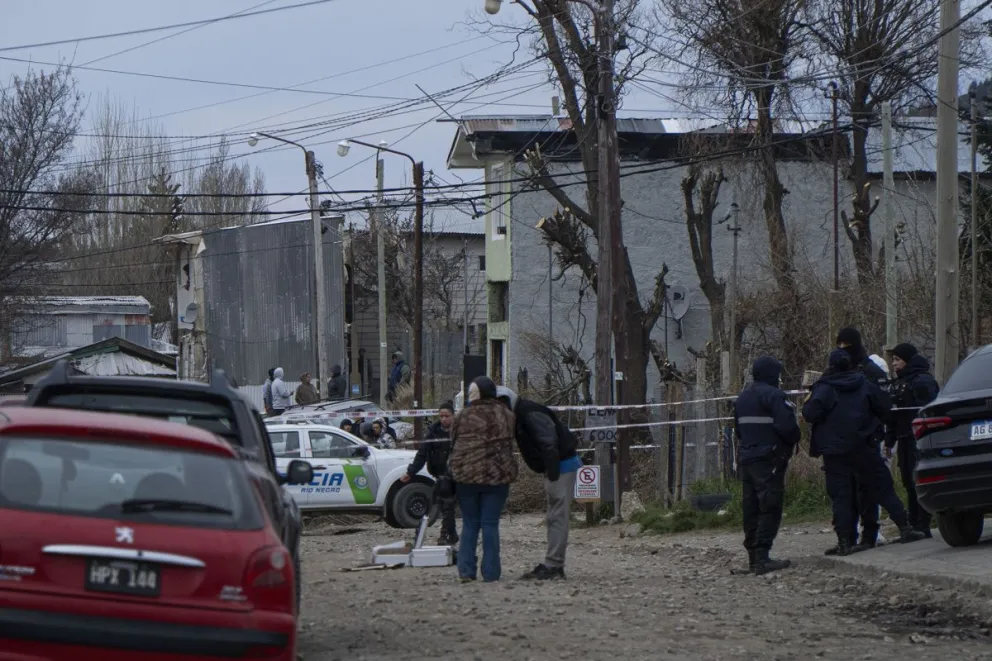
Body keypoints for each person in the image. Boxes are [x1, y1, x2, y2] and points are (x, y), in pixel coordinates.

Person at [802, 349, 927, 555]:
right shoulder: (863, 384)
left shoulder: (825, 388)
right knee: (883, 488)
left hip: (835, 452)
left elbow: (809, 413)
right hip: (864, 446)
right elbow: (885, 408)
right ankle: (905, 528)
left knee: (841, 496)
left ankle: (844, 542)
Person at [496, 385, 579, 581]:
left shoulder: (528, 412)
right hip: (558, 465)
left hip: (560, 465)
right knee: (554, 516)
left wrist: (552, 474)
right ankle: (554, 563)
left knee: (557, 516)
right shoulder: (523, 412)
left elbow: (548, 442)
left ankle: (554, 565)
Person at [733, 356, 801, 575]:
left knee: (750, 507)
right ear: (774, 375)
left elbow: (738, 429)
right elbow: (789, 428)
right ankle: (762, 557)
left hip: (747, 457)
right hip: (769, 458)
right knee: (769, 505)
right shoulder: (774, 395)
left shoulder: (743, 397)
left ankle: (753, 557)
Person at [449, 377, 518, 583]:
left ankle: (466, 570)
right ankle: (491, 572)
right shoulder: (507, 415)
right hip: (497, 476)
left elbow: (452, 441)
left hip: (466, 476)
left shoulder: (462, 416)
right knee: (490, 523)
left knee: (470, 523)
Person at [827, 327, 887, 554]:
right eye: (840, 344)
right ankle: (847, 537)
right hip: (842, 443)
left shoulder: (869, 370)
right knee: (844, 493)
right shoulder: (833, 372)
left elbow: (882, 402)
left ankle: (869, 534)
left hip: (865, 440)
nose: (843, 349)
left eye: (846, 344)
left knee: (867, 490)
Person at [886, 343, 940, 538]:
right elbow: (894, 415)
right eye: (893, 360)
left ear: (908, 360)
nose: (894, 364)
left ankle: (923, 523)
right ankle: (914, 522)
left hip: (919, 439)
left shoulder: (922, 381)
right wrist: (889, 440)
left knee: (918, 480)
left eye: (897, 360)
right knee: (908, 481)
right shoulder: (900, 383)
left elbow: (929, 411)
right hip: (904, 437)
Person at [401, 401, 458, 545]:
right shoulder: (433, 431)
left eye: (447, 416)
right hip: (440, 474)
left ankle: (446, 535)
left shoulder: (460, 431)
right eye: (442, 416)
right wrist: (411, 472)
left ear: (453, 416)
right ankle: (450, 534)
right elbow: (422, 453)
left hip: (458, 475)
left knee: (448, 506)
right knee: (443, 505)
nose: (444, 419)